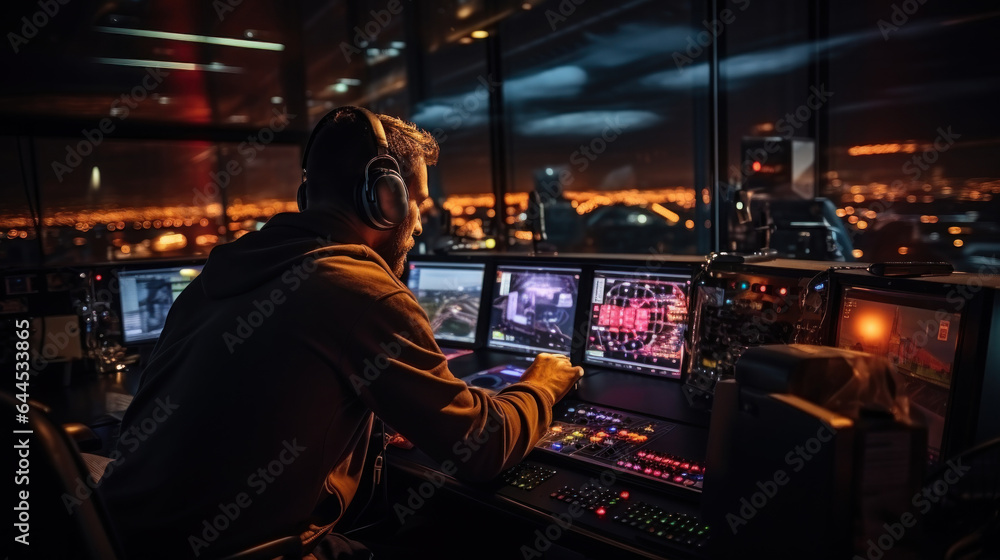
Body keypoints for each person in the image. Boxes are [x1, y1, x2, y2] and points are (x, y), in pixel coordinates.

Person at [98, 106, 582, 559]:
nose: (418, 222)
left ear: (307, 197)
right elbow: (480, 448)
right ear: (385, 199)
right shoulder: (361, 289)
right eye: (417, 202)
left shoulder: (220, 275)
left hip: (126, 539)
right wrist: (540, 386)